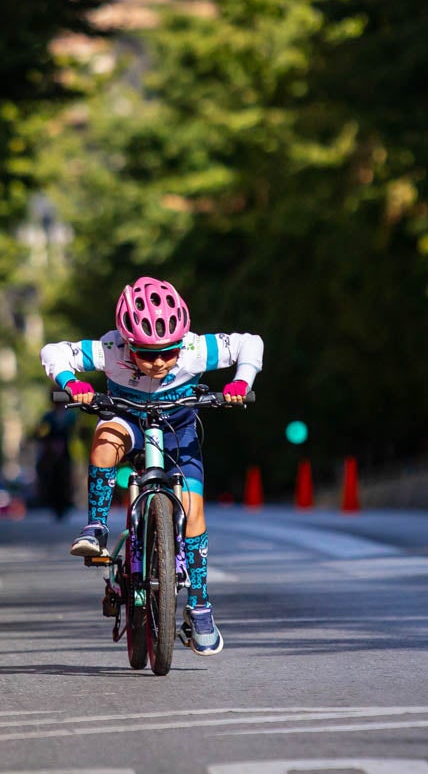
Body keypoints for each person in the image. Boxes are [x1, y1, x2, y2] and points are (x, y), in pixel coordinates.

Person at [39, 277, 263, 656]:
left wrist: (241, 382)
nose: (158, 362)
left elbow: (249, 343)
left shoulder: (195, 349)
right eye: (145, 354)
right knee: (105, 440)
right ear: (127, 344)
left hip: (179, 431)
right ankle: (96, 525)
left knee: (193, 513)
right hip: (126, 420)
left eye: (168, 352)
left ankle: (200, 606)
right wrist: (70, 382)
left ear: (182, 343)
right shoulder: (109, 349)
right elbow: (53, 351)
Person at [34, 398, 78, 520]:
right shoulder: (48, 416)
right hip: (51, 452)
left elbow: (74, 432)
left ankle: (65, 504)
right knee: (52, 478)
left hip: (65, 452)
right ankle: (53, 503)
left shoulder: (70, 416)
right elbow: (41, 433)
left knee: (66, 478)